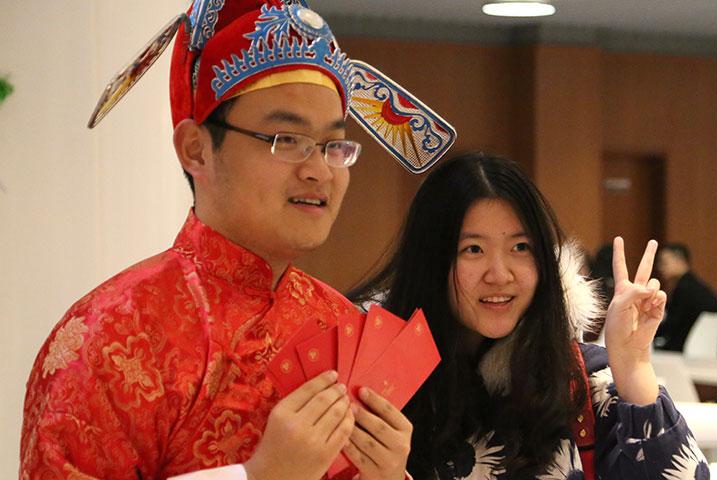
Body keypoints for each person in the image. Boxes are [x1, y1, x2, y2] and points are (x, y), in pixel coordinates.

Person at [20, 1, 454, 479]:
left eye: (334, 145)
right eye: (285, 139)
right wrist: (259, 475)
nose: (318, 170)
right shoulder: (110, 337)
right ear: (196, 150)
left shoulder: (339, 323)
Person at [350, 153, 709, 479]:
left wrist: (633, 366)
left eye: (520, 248)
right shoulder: (375, 385)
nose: (500, 274)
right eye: (472, 249)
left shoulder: (584, 378)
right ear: (431, 261)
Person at [654, 243, 717, 352]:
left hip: (683, 347)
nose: (660, 267)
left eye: (664, 263)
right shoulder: (697, 286)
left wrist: (650, 332)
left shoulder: (685, 289)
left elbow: (673, 324)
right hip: (701, 348)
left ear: (679, 260)